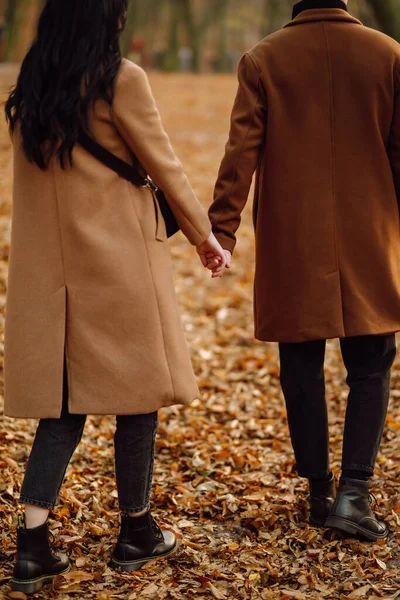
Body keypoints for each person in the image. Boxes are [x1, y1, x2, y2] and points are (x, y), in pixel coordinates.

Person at [4, 0, 226, 594]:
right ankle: (137, 531)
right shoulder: (120, 79)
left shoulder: (33, 85)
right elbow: (165, 166)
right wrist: (206, 238)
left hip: (53, 273)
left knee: (63, 404)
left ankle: (32, 545)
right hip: (118, 264)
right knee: (139, 395)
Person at [208, 0, 400, 542]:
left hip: (294, 235)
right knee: (371, 362)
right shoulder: (388, 54)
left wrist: (222, 229)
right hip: (369, 233)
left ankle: (319, 494)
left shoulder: (264, 59)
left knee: (301, 362)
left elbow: (240, 150)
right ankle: (353, 495)